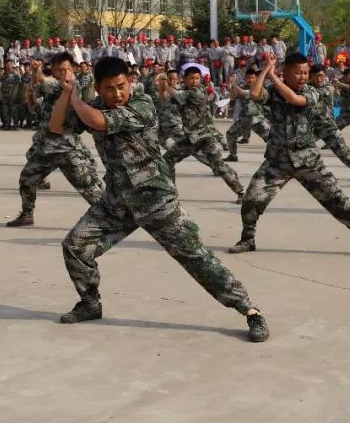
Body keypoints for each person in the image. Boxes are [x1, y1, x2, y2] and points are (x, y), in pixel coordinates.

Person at [52, 56, 269, 342]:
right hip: (118, 202)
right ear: (98, 88)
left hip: (156, 200)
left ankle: (250, 310)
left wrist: (77, 98)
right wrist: (68, 93)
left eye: (121, 86)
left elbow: (98, 121)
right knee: (75, 246)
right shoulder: (93, 106)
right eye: (109, 89)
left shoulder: (141, 105)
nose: (117, 94)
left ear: (130, 81)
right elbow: (57, 127)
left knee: (198, 259)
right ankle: (90, 303)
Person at [230, 53, 350, 258]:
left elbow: (293, 99)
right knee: (251, 199)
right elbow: (255, 93)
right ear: (286, 73)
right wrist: (267, 69)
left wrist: (273, 76)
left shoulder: (312, 92)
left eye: (305, 72)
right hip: (277, 162)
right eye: (298, 72)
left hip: (308, 161)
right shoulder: (273, 91)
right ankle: (248, 239)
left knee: (338, 201)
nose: (303, 76)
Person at [5, 53, 104, 227]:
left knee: (89, 190)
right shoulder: (54, 85)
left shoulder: (74, 85)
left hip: (66, 148)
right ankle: (27, 214)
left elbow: (43, 81)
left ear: (72, 68)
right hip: (47, 147)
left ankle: (113, 217)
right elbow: (36, 93)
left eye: (64, 69)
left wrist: (38, 71)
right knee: (27, 179)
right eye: (57, 70)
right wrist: (36, 73)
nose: (61, 73)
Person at [163, 65, 245, 201]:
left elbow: (177, 95)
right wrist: (162, 87)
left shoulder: (197, 92)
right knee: (167, 160)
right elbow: (168, 99)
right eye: (191, 78)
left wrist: (165, 84)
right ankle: (170, 193)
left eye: (197, 78)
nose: (195, 81)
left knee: (219, 165)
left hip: (207, 136)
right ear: (184, 79)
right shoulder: (184, 91)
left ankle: (241, 191)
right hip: (192, 137)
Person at [307, 65, 350, 182]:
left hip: (328, 127)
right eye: (315, 76)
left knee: (343, 151)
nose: (318, 79)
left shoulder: (328, 87)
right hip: (311, 128)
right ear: (311, 76)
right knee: (298, 148)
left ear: (325, 76)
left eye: (321, 76)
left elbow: (315, 95)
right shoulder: (306, 87)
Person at [223, 70, 271, 162]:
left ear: (256, 78)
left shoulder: (259, 88)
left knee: (271, 139)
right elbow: (233, 97)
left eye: (253, 78)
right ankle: (233, 155)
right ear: (245, 79)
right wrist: (233, 86)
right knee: (230, 134)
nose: (250, 80)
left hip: (257, 119)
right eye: (248, 78)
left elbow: (243, 92)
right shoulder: (242, 86)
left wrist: (234, 84)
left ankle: (278, 157)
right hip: (245, 120)